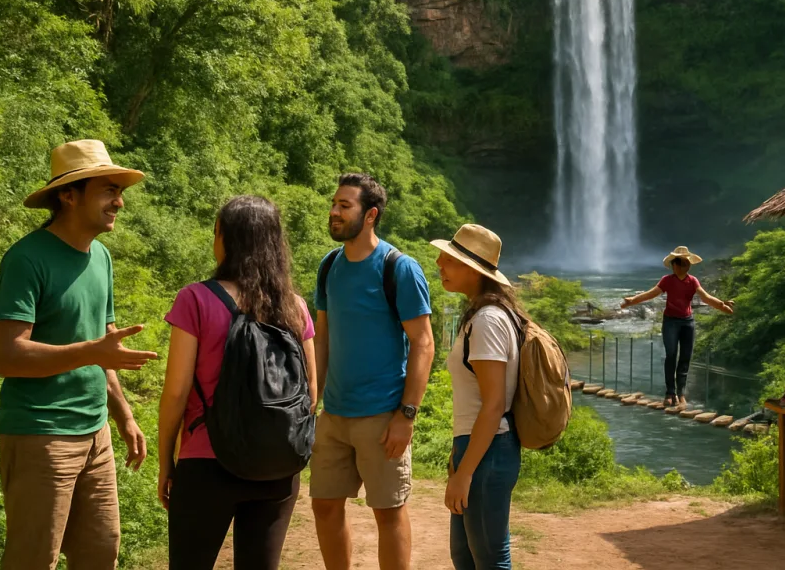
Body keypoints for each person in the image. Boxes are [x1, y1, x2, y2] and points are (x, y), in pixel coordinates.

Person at [0, 139, 159, 569]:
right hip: (40, 434)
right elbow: (9, 356)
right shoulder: (27, 259)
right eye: (108, 191)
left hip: (94, 434)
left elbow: (104, 347)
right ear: (69, 195)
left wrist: (123, 416)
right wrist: (91, 351)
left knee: (100, 554)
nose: (119, 203)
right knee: (33, 560)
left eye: (119, 193)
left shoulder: (100, 257)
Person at [157, 195, 317, 569]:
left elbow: (177, 391)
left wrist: (167, 460)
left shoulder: (195, 299)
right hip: (277, 463)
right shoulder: (295, 307)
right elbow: (310, 392)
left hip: (206, 460)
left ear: (226, 239)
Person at [311, 174, 434, 570]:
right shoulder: (329, 266)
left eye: (344, 206)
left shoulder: (399, 268)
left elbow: (424, 343)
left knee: (389, 512)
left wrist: (407, 415)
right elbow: (322, 338)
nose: (334, 211)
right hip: (334, 415)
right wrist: (312, 400)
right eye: (334, 203)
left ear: (370, 215)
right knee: (325, 508)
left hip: (382, 417)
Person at [432, 224, 523, 570]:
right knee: (466, 556)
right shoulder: (482, 316)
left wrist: (465, 472)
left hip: (488, 451)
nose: (440, 263)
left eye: (449, 258)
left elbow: (494, 404)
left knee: (488, 557)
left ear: (473, 270)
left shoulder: (487, 320)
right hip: (477, 448)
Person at [621, 246, 734, 408]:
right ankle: (670, 393)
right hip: (670, 322)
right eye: (681, 262)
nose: (685, 265)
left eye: (687, 262)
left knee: (685, 357)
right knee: (671, 355)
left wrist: (722, 305)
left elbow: (706, 297)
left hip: (687, 322)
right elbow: (651, 293)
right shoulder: (667, 280)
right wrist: (632, 300)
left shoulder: (692, 281)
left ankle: (681, 393)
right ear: (674, 265)